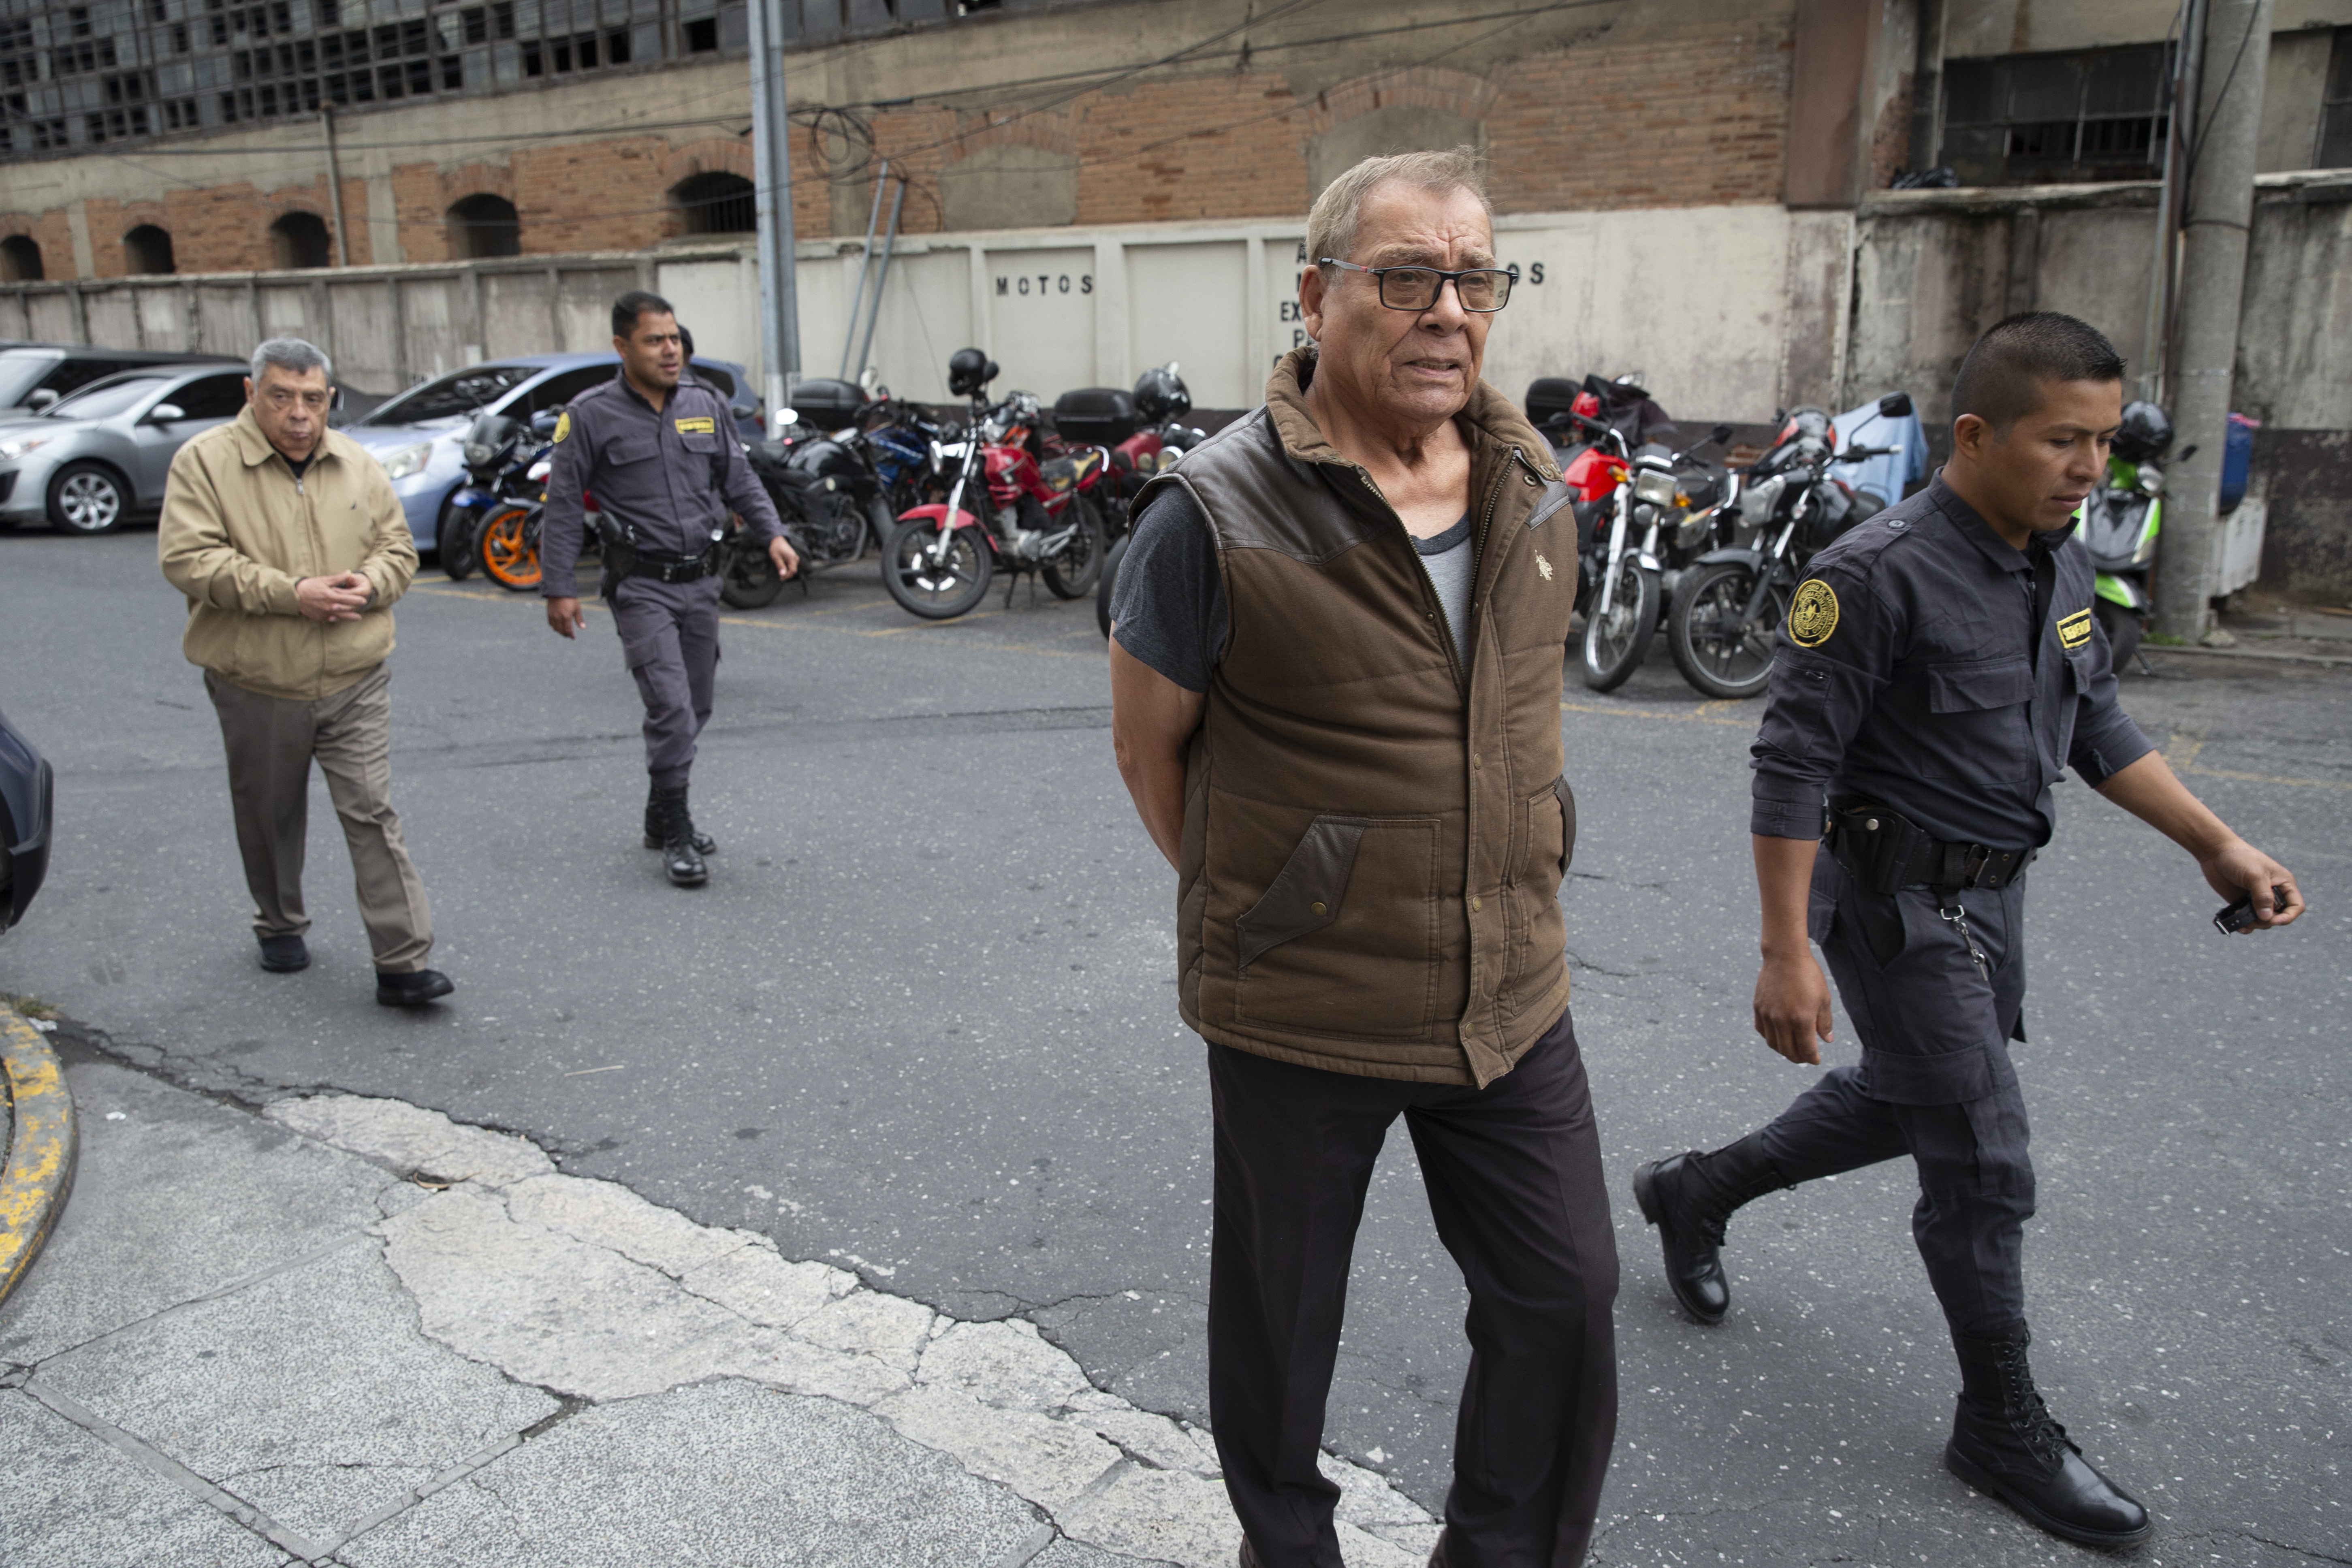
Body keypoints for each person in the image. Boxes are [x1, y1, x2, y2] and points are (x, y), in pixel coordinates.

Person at [1630, 312, 2305, 1549]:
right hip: (1893, 905)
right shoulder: (1872, 575)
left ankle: (1695, 1191)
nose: (2089, 469)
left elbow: (2091, 721)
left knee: (1912, 1098)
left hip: (1991, 893)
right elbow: (1789, 767)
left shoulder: (2048, 560)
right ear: (1977, 434)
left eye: (2102, 442)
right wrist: (1783, 953)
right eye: (2063, 440)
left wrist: (2214, 843)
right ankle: (1998, 1423)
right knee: (1981, 1161)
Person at [1107, 149, 1614, 1568]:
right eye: (1406, 277)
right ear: (1318, 294)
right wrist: (1286, 897)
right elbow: (1151, 752)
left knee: (1563, 1300)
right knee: (1280, 1329)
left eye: (1473, 279)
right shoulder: (1210, 512)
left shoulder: (1530, 478)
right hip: (1301, 999)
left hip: (1508, 982)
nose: (1445, 310)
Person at [158, 337, 452, 1007]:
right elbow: (188, 561)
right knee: (270, 814)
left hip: (356, 675)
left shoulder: (354, 462)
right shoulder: (204, 463)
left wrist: (369, 585)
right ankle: (280, 922)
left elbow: (397, 548)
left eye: (314, 400)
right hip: (257, 680)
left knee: (372, 812)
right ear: (251, 394)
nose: (299, 415)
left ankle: (403, 963)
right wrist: (295, 593)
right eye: (282, 397)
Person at [539, 291, 796, 886]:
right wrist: (559, 588)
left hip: (703, 580)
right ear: (622, 347)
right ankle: (677, 829)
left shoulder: (704, 403)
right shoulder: (589, 415)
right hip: (642, 585)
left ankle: (659, 812)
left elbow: (739, 477)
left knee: (698, 703)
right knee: (672, 706)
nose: (670, 350)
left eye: (674, 338)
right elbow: (560, 506)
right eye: (655, 341)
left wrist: (774, 534)